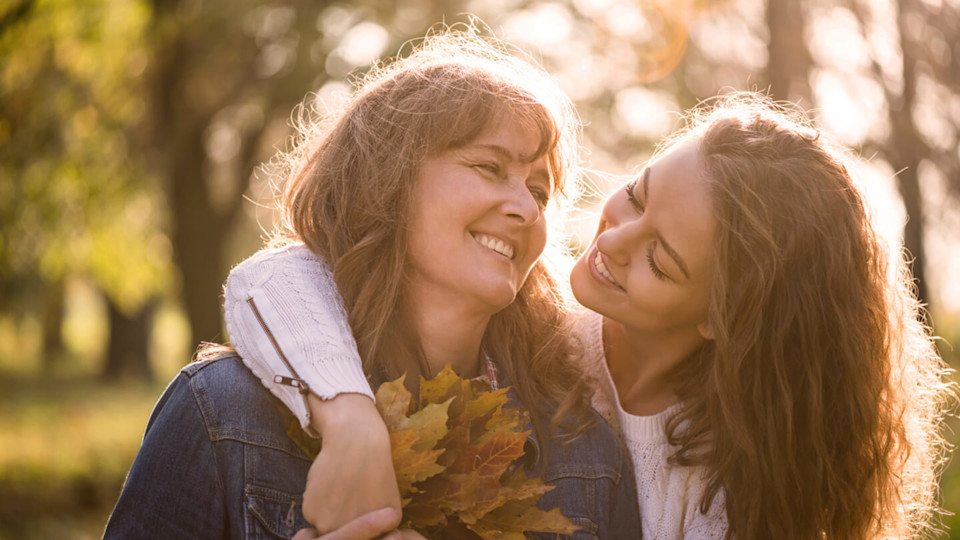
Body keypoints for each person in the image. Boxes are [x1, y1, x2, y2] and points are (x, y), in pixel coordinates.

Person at [226, 94, 954, 539]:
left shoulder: (737, 482)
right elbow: (278, 276)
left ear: (722, 322)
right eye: (636, 196)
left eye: (661, 260)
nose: (610, 242)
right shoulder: (529, 318)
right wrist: (349, 418)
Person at [103, 29, 640, 540]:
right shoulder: (222, 411)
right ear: (387, 184)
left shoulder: (584, 455)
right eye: (488, 167)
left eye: (540, 193)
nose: (524, 207)